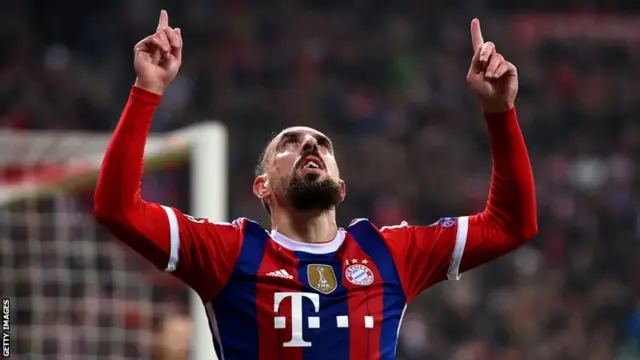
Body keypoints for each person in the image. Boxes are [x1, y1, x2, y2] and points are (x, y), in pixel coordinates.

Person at [94, 10, 537, 360]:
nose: (310, 143)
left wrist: (500, 113)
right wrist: (147, 90)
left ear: (341, 188)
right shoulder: (227, 252)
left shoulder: (390, 253)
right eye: (289, 143)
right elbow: (118, 209)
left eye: (322, 144)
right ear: (262, 186)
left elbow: (511, 225)